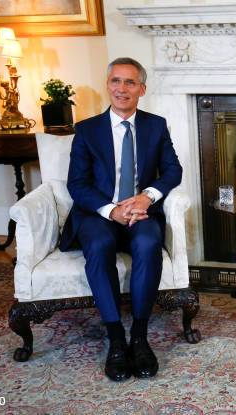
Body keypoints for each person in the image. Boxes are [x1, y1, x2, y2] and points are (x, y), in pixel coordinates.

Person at [60, 57, 182, 382]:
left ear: (142, 89)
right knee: (99, 244)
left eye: (130, 82)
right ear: (107, 85)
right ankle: (116, 338)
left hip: (141, 211)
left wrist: (147, 197)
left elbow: (173, 170)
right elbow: (77, 184)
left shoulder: (156, 125)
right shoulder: (87, 130)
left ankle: (139, 337)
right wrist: (111, 210)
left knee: (148, 241)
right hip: (99, 212)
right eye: (116, 81)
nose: (121, 88)